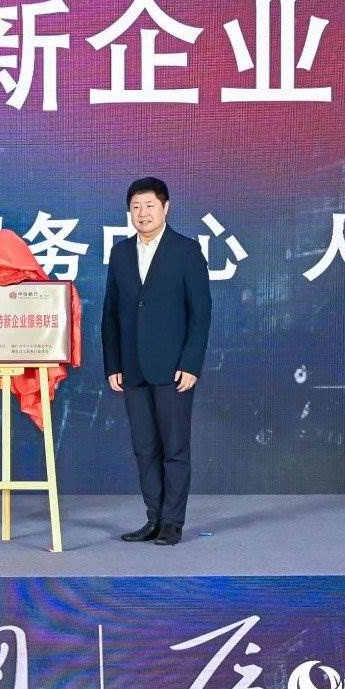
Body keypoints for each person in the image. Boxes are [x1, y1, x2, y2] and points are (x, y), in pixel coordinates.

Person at [102, 176, 211, 546]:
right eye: (135, 207)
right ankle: (153, 518)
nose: (142, 213)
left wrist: (191, 363)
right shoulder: (120, 253)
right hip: (132, 368)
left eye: (149, 205)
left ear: (166, 207)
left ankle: (172, 522)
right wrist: (113, 364)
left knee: (174, 448)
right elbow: (110, 314)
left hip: (174, 368)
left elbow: (201, 313)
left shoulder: (186, 251)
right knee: (144, 447)